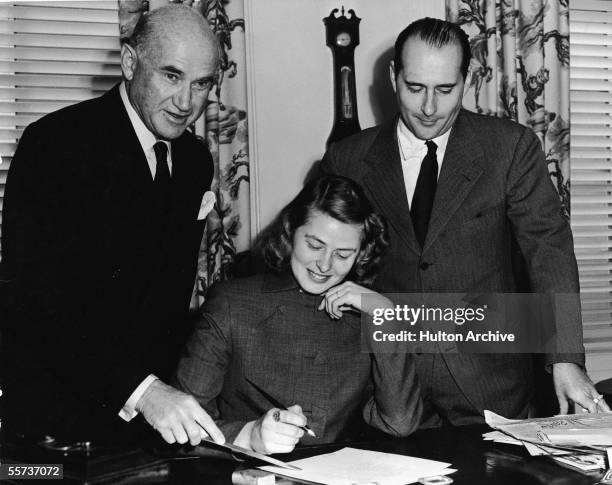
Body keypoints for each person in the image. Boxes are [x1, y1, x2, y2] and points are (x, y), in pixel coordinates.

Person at [320, 17, 610, 427]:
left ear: (468, 80)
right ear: (392, 77)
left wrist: (565, 359)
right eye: (415, 88)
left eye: (445, 89)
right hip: (389, 391)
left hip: (491, 382)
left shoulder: (511, 149)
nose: (429, 108)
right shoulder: (347, 159)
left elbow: (548, 251)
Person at [0, 5, 225, 446]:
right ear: (128, 62)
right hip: (54, 417)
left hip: (147, 418)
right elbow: (37, 303)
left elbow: (165, 301)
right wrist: (144, 391)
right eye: (172, 76)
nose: (186, 103)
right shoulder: (54, 145)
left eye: (201, 84)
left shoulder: (196, 160)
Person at [174, 175, 422, 454]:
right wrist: (249, 436)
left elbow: (399, 423)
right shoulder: (232, 303)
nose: (325, 265)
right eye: (315, 245)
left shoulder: (367, 315)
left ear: (361, 254)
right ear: (291, 230)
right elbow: (182, 427)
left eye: (342, 255)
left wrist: (385, 317)